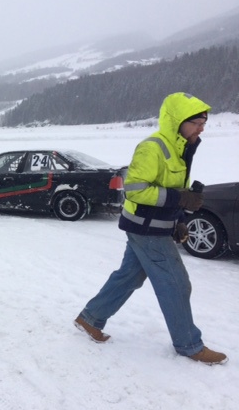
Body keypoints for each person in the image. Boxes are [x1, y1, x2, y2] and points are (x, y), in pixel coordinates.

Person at [74, 92, 227, 365]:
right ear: (177, 121)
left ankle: (90, 318)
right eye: (196, 122)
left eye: (204, 123)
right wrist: (180, 199)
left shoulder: (181, 149)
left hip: (153, 226)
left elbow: (174, 189)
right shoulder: (152, 147)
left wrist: (179, 220)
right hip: (146, 228)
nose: (201, 128)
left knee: (129, 276)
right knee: (176, 284)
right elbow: (135, 190)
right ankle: (189, 345)